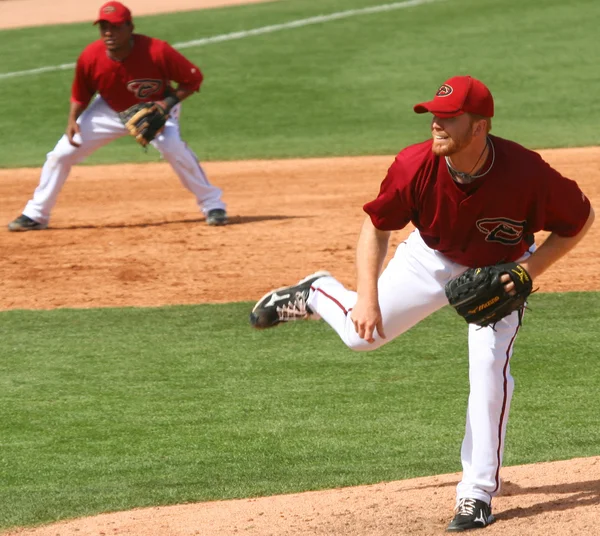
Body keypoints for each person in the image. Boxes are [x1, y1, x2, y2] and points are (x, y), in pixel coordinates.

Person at [249, 75, 595, 532]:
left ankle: (476, 493)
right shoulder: (414, 165)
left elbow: (580, 218)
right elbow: (376, 227)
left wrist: (526, 272)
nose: (436, 124)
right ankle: (317, 291)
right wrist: (367, 297)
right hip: (428, 258)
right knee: (360, 337)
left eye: (449, 118)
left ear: (480, 127)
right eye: (434, 115)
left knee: (490, 371)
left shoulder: (527, 172)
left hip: (499, 272)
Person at [8, 1, 228, 232]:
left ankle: (213, 204)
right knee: (61, 154)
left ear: (130, 27)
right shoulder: (91, 56)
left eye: (115, 27)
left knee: (173, 147)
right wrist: (73, 119)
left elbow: (193, 79)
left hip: (155, 108)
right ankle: (36, 214)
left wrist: (165, 105)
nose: (108, 33)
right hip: (109, 110)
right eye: (103, 27)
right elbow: (81, 93)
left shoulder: (157, 50)